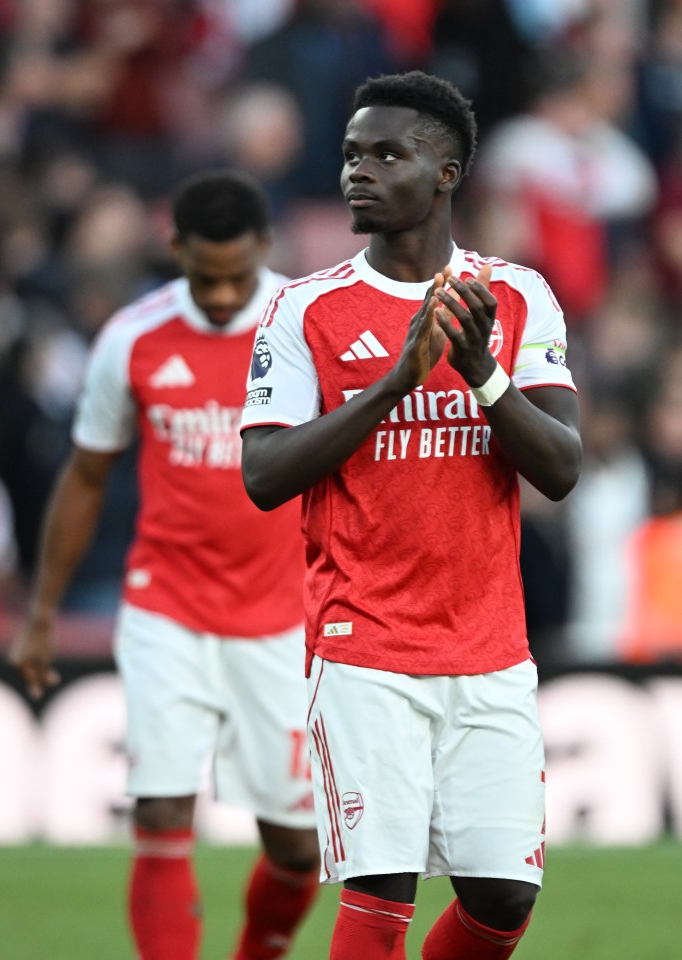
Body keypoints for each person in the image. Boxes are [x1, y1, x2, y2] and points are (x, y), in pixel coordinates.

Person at [241, 71, 582, 960]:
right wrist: (393, 384)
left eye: (387, 153)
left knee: (503, 900)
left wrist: (484, 376)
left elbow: (561, 467)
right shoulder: (303, 310)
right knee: (381, 890)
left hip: (490, 645)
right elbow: (266, 475)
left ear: (446, 172)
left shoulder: (515, 298)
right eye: (352, 154)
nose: (360, 171)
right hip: (365, 646)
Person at [8, 170, 320, 960]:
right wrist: (41, 615)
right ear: (176, 249)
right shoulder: (133, 336)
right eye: (203, 276)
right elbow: (86, 475)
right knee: (158, 813)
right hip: (165, 607)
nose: (220, 296)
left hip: (282, 617)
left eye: (236, 276)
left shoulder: (306, 327)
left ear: (263, 249)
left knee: (297, 848)